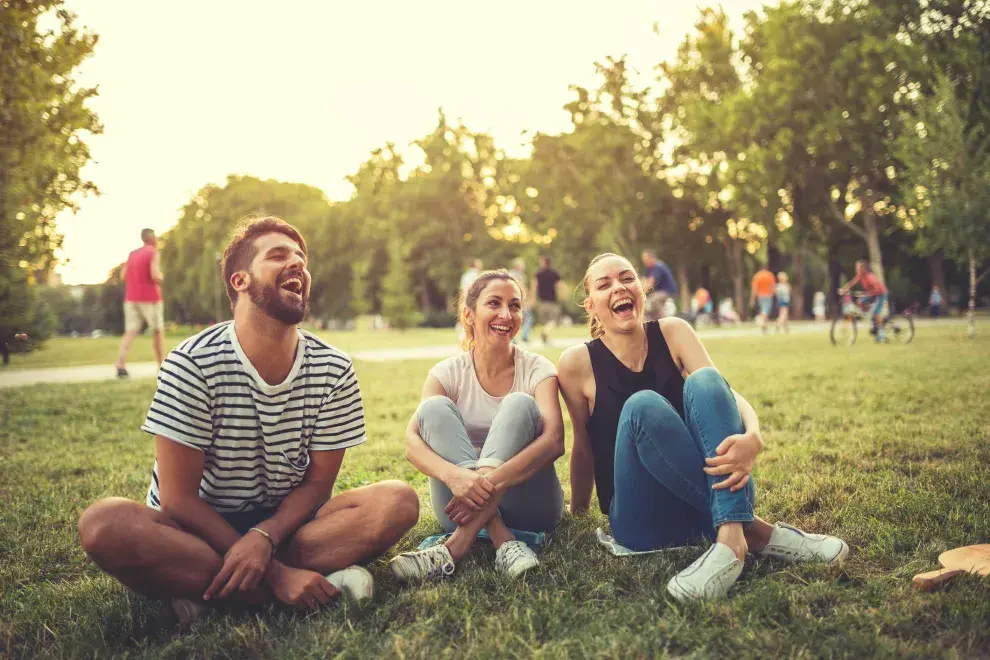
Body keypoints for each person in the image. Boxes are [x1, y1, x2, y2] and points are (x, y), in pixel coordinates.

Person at [77, 217, 420, 627]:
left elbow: (317, 485)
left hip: (286, 527)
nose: (297, 264)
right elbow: (178, 500)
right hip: (196, 530)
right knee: (103, 525)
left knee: (397, 501)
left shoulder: (335, 368)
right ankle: (290, 586)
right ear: (240, 281)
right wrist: (276, 572)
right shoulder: (192, 363)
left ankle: (208, 595)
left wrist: (265, 537)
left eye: (301, 259)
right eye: (278, 256)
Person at [557, 253, 848, 602]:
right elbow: (584, 447)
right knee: (641, 406)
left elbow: (723, 393)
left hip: (697, 511)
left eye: (627, 278)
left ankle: (730, 538)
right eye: (604, 285)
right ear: (591, 305)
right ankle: (753, 530)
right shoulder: (577, 363)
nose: (618, 287)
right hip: (639, 521)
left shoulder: (674, 331)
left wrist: (753, 434)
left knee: (706, 378)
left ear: (642, 289)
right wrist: (578, 515)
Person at [390, 269, 564, 582]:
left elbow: (554, 441)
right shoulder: (446, 373)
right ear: (469, 315)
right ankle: (502, 538)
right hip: (458, 502)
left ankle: (455, 548)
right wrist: (455, 477)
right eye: (494, 304)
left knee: (520, 404)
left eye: (514, 305)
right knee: (433, 409)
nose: (506, 314)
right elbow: (412, 443)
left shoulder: (538, 368)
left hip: (530, 505)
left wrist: (487, 483)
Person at [115, 229, 165, 377]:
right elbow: (155, 275)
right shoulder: (153, 252)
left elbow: (123, 275)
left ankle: (120, 364)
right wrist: (161, 277)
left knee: (130, 332)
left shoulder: (132, 254)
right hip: (150, 298)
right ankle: (161, 365)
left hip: (131, 299)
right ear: (152, 237)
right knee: (157, 331)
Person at [839, 260, 888, 342]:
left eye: (858, 268)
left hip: (881, 294)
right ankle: (871, 320)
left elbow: (877, 289)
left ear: (863, 269)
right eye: (856, 268)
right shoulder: (860, 276)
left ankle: (882, 334)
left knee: (876, 313)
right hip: (872, 294)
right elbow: (851, 283)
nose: (857, 270)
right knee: (859, 301)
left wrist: (867, 294)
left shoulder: (870, 277)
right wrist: (843, 289)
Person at [531, 256, 562, 345]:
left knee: (546, 321)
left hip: (542, 302)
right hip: (552, 301)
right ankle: (545, 333)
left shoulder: (538, 274)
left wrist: (532, 299)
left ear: (544, 263)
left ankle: (547, 337)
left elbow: (534, 286)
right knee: (553, 321)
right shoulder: (554, 274)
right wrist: (563, 295)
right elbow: (560, 285)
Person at [641, 249, 678, 321]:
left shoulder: (658, 266)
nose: (644, 262)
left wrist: (641, 294)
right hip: (658, 292)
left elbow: (650, 283)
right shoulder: (648, 269)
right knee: (649, 302)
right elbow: (644, 282)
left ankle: (664, 321)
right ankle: (653, 320)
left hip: (668, 291)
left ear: (652, 258)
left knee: (653, 300)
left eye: (646, 259)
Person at [508, 257, 534, 343]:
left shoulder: (509, 273)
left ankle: (512, 338)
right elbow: (521, 286)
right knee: (528, 317)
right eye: (522, 265)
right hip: (519, 299)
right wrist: (526, 299)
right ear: (518, 266)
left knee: (512, 317)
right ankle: (524, 336)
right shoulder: (519, 274)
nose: (524, 266)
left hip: (510, 299)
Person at [749, 265, 776, 334]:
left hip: (760, 295)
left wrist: (752, 299)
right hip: (768, 295)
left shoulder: (757, 276)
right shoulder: (770, 275)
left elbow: (754, 289)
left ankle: (764, 325)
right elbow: (773, 287)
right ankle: (763, 325)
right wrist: (774, 294)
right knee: (765, 310)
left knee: (763, 310)